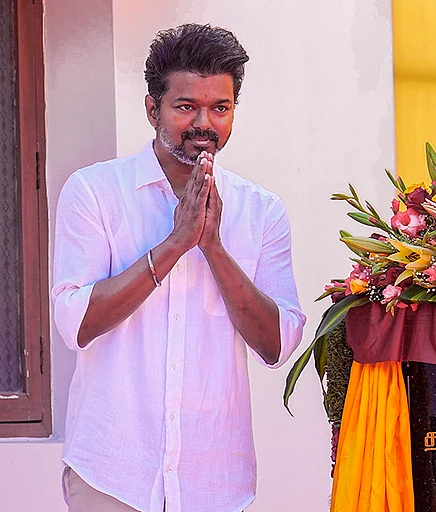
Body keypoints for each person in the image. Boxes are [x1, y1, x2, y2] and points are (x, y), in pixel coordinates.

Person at [52, 23, 305, 512]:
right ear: (153, 108)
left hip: (214, 480)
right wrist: (175, 244)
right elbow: (74, 323)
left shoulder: (262, 211)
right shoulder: (94, 193)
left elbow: (277, 345)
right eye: (185, 106)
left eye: (221, 108)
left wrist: (213, 248)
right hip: (112, 474)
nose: (204, 123)